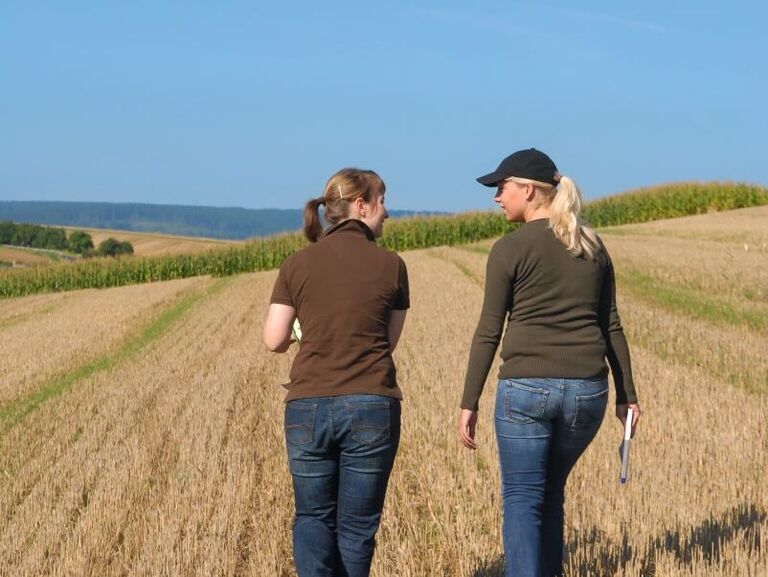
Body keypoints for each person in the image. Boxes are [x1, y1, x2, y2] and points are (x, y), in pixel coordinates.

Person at [457, 149, 641, 577]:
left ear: (528, 190)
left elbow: (489, 330)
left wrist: (469, 401)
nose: (496, 198)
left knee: (523, 497)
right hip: (587, 394)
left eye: (501, 188)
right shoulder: (592, 245)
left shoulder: (510, 248)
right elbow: (610, 325)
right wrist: (627, 395)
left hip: (524, 390)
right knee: (551, 492)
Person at [263, 168, 409, 577]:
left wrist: (303, 332)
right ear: (361, 206)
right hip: (371, 404)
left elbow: (273, 339)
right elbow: (389, 342)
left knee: (312, 517)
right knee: (357, 527)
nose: (387, 212)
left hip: (306, 405)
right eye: (382, 202)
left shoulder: (296, 263)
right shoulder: (393, 266)